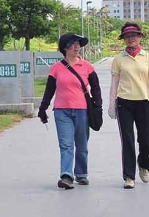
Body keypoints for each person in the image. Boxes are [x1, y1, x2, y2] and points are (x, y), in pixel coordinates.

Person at [38, 33, 103, 189]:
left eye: (78, 44)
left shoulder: (87, 66)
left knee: (82, 145)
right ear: (65, 48)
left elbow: (96, 88)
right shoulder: (56, 68)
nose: (76, 47)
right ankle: (66, 176)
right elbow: (49, 90)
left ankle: (81, 173)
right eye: (73, 44)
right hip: (62, 111)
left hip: (82, 110)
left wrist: (98, 107)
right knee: (66, 144)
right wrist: (43, 108)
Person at [108, 22, 149, 189]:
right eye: (127, 36)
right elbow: (114, 84)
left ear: (140, 37)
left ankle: (143, 163)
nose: (131, 39)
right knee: (127, 140)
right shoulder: (118, 59)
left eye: (134, 35)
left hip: (143, 102)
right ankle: (129, 176)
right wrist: (112, 106)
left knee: (145, 139)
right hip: (124, 102)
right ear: (123, 39)